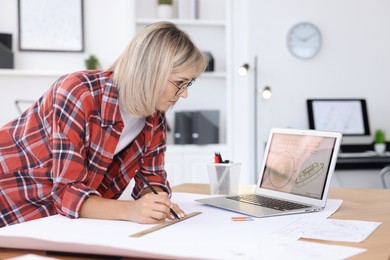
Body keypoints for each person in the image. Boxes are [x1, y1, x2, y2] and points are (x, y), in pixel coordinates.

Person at [0, 21, 208, 228]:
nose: (185, 94)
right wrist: (132, 210)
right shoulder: (79, 92)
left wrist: (156, 201)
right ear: (153, 73)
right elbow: (67, 192)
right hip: (13, 201)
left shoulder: (154, 117)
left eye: (188, 84)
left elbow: (152, 179)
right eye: (180, 83)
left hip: (59, 217)